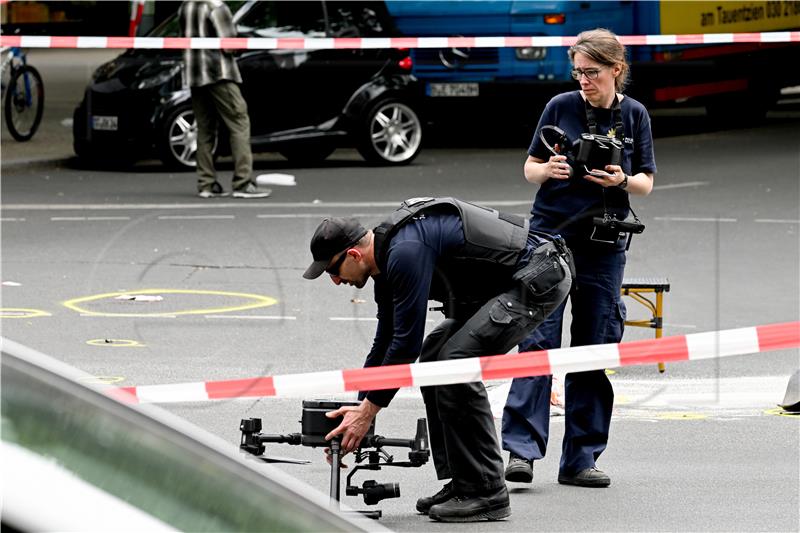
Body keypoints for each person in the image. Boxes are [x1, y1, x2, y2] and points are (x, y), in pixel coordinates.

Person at [303, 197, 573, 522]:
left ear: (354, 254)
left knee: (454, 363)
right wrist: (361, 415)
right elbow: (384, 343)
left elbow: (404, 346)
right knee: (435, 354)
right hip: (504, 284)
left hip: (540, 275)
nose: (334, 280)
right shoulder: (386, 266)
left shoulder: (404, 252)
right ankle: (464, 483)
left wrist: (369, 410)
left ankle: (488, 492)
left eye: (333, 270)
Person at [501, 28, 656, 488]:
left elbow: (646, 181)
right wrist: (548, 169)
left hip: (605, 244)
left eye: (591, 73)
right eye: (578, 72)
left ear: (616, 70)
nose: (583, 81)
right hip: (551, 238)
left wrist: (621, 180)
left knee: (594, 347)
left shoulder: (635, 115)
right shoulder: (559, 106)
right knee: (536, 343)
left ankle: (581, 458)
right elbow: (529, 168)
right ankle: (521, 453)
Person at [178, 0, 270, 199]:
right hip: (219, 73)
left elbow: (182, 39)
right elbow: (229, 44)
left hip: (194, 74)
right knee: (239, 122)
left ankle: (206, 184)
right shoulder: (216, 7)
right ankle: (243, 182)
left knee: (205, 128)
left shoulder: (186, 6)